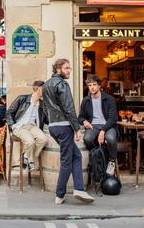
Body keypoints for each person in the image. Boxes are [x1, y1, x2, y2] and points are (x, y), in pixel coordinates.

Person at [43, 58, 95, 204]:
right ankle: (60, 195)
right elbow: (69, 108)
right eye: (66, 68)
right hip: (64, 125)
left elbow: (45, 108)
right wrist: (76, 128)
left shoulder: (46, 85)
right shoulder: (62, 84)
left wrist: (52, 123)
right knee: (67, 161)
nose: (69, 71)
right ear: (58, 70)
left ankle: (78, 188)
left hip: (53, 126)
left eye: (69, 68)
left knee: (76, 156)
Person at [78, 75, 118, 176]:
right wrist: (84, 122)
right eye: (90, 85)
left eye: (94, 85)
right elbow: (80, 117)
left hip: (108, 125)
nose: (92, 87)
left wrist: (103, 131)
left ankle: (112, 161)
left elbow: (113, 118)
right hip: (93, 126)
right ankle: (97, 157)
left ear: (99, 86)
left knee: (111, 138)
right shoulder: (86, 100)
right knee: (87, 138)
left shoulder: (109, 99)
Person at [6, 80, 49, 172]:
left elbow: (47, 119)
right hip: (20, 126)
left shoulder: (42, 104)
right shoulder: (22, 99)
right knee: (30, 142)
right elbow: (9, 112)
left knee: (43, 139)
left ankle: (26, 157)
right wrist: (12, 126)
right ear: (39, 89)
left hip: (32, 126)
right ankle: (30, 161)